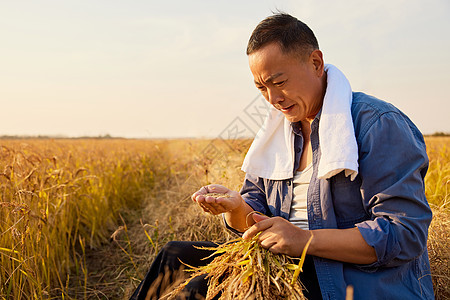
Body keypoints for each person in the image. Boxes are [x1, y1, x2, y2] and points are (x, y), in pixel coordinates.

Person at [130, 13, 434, 300]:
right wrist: (235, 206)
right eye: (262, 87)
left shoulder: (377, 124)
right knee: (174, 256)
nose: (273, 99)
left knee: (198, 289)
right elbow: (256, 215)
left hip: (346, 277)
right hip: (286, 262)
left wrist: (304, 241)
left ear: (316, 63)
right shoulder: (278, 132)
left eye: (279, 82)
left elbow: (403, 234)